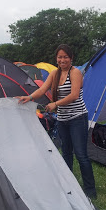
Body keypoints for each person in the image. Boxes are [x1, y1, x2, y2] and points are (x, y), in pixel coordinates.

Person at [17, 44, 97, 199]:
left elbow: (74, 95)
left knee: (81, 155)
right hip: (62, 119)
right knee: (66, 153)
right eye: (60, 57)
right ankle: (69, 185)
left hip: (77, 118)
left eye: (65, 57)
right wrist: (30, 97)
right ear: (56, 59)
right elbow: (42, 89)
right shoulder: (54, 74)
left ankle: (90, 191)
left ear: (71, 58)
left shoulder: (76, 73)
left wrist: (55, 104)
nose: (62, 60)